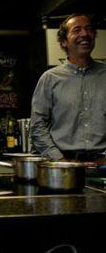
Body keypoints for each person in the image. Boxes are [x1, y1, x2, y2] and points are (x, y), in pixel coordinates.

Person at [30, 13, 106, 162]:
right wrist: (60, 161)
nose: (85, 34)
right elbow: (38, 126)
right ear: (63, 42)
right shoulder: (50, 78)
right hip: (64, 166)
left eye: (89, 29)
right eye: (77, 30)